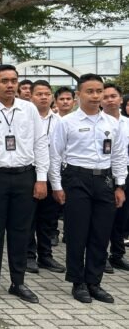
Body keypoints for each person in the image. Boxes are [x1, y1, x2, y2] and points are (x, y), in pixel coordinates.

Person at [0, 65, 49, 304]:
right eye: (5, 81)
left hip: (25, 177)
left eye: (14, 80)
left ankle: (18, 282)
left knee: (21, 233)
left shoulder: (29, 109)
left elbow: (40, 143)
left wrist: (41, 178)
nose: (10, 85)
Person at [50, 74, 127, 303]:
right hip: (76, 179)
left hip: (104, 181)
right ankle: (78, 281)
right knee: (77, 233)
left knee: (100, 233)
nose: (95, 96)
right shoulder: (66, 122)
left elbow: (119, 155)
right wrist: (56, 185)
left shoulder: (113, 124)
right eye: (90, 91)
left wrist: (120, 185)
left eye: (99, 91)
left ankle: (94, 281)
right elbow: (55, 155)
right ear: (78, 95)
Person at [26, 80, 65, 274]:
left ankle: (46, 256)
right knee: (28, 218)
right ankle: (28, 256)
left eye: (47, 94)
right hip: (29, 173)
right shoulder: (25, 118)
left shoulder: (59, 121)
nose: (43, 97)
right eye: (39, 93)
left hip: (53, 173)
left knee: (48, 218)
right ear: (31, 96)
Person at [101, 84, 129, 272]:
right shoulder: (98, 122)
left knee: (122, 216)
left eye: (114, 96)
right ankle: (100, 256)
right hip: (103, 173)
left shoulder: (127, 123)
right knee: (103, 218)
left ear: (120, 99)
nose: (110, 99)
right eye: (106, 96)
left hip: (124, 173)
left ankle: (117, 255)